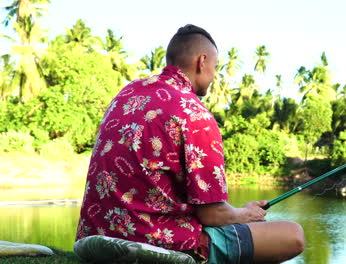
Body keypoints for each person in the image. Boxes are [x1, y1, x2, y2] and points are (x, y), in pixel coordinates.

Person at [75, 24, 305, 263]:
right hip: (157, 244)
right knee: (292, 234)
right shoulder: (194, 114)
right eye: (215, 67)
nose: (214, 75)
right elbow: (212, 214)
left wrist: (238, 212)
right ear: (202, 61)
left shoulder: (126, 94)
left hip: (96, 238)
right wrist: (245, 213)